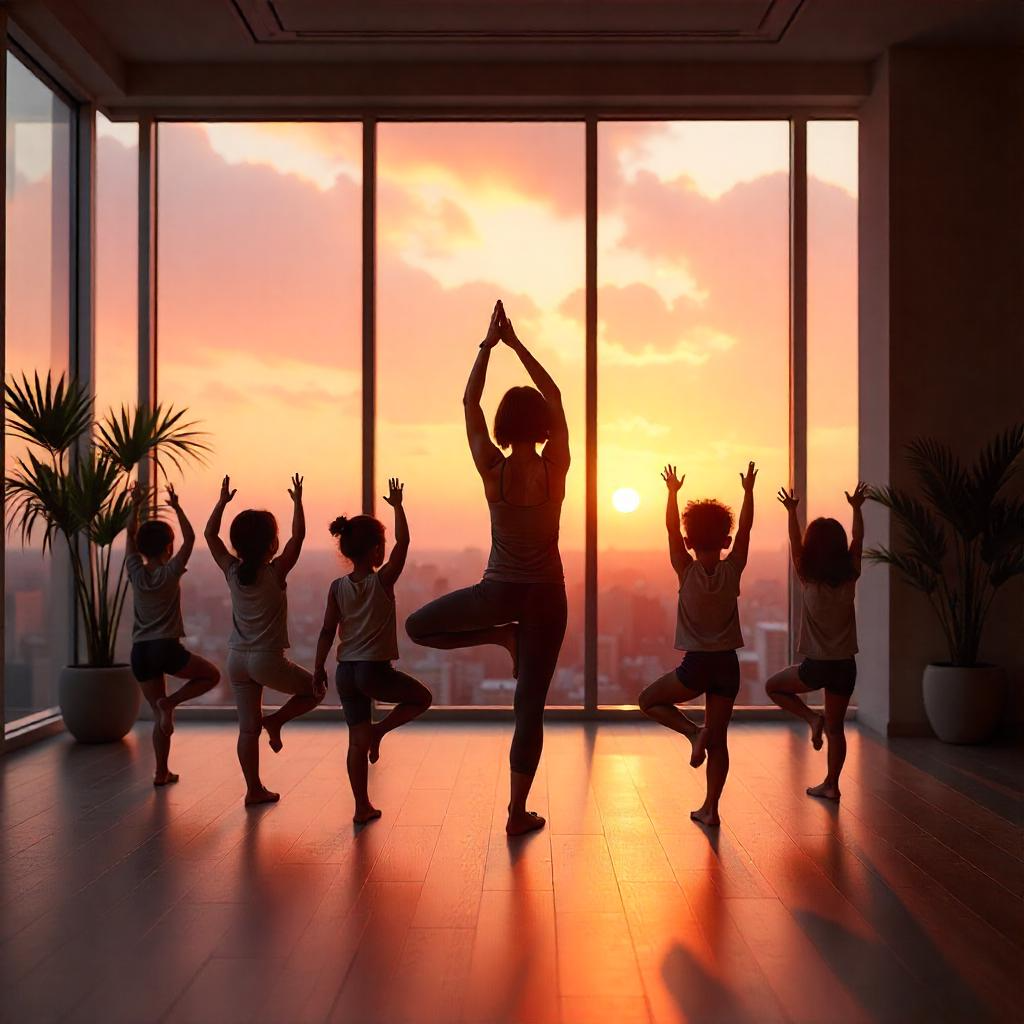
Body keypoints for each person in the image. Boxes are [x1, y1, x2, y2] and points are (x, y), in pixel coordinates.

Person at [406, 300, 569, 837]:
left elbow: (469, 401)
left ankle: (500, 636)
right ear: (542, 427)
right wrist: (517, 345)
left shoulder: (491, 469)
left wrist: (489, 346)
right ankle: (517, 812)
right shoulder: (556, 467)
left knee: (417, 627)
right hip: (547, 597)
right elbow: (556, 396)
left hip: (498, 592)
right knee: (529, 709)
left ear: (503, 425)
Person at [638, 462, 757, 827]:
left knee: (648, 701)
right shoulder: (733, 569)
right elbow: (747, 529)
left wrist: (672, 493)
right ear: (726, 541)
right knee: (719, 740)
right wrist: (748, 492)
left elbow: (671, 529)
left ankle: (692, 732)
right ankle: (711, 809)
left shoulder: (684, 568)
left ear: (689, 543)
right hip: (728, 666)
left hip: (697, 666)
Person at [314, 478, 432, 825]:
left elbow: (326, 631)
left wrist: (318, 668)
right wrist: (398, 507)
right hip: (373, 671)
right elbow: (405, 544)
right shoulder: (383, 581)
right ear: (376, 550)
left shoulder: (337, 587)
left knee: (355, 742)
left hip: (345, 672)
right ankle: (380, 731)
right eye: (382, 545)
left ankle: (361, 806)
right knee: (421, 698)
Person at [205, 474, 326, 806]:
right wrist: (298, 502)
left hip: (236, 659)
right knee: (316, 689)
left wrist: (221, 502)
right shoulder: (275, 573)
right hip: (266, 659)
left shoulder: (232, 571)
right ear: (272, 544)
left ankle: (253, 789)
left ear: (238, 545)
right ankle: (276, 721)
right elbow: (298, 537)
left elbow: (210, 535)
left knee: (247, 730)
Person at [765, 483, 866, 800]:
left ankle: (811, 718)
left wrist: (791, 511)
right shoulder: (849, 576)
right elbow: (858, 540)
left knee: (773, 687)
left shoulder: (807, 577)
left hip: (817, 665)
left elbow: (795, 544)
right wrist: (857, 508)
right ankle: (832, 785)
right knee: (836, 730)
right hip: (845, 665)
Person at [126, 482, 220, 786]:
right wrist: (177, 506)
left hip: (140, 652)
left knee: (158, 715)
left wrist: (135, 505)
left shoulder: (136, 572)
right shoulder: (170, 572)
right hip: (165, 648)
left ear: (141, 548)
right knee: (212, 676)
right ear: (169, 547)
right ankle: (172, 703)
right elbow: (190, 538)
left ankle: (161, 772)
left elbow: (129, 535)